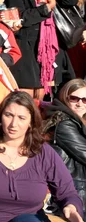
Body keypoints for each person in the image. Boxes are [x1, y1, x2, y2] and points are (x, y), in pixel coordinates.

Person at [0, 91, 83, 222]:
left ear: (31, 122)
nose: (13, 124)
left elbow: (67, 193)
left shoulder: (44, 152)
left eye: (21, 118)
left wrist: (71, 207)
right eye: (8, 115)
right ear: (0, 117)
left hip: (29, 217)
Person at [6, 0, 78, 100]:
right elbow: (20, 17)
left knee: (45, 95)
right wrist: (46, 9)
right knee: (27, 96)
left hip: (50, 47)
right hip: (25, 46)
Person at [44, 79, 86, 216]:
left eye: (85, 100)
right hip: (74, 189)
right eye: (74, 98)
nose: (80, 104)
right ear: (64, 97)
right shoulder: (64, 123)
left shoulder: (77, 121)